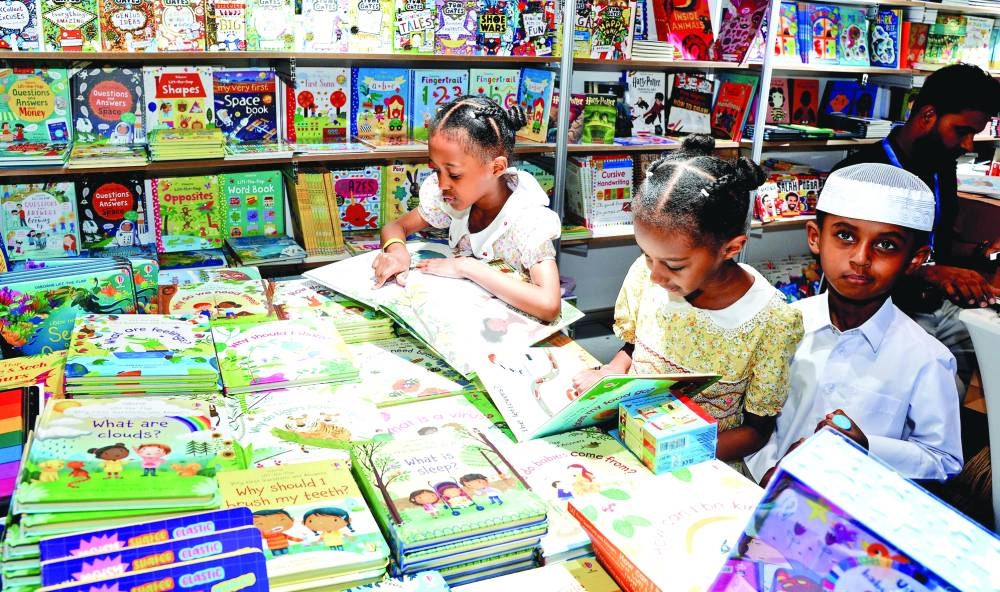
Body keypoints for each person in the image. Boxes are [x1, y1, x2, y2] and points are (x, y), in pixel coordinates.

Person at [572, 135, 804, 472]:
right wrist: (611, 372)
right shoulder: (651, 272)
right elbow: (633, 347)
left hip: (701, 461)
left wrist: (672, 452)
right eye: (646, 256)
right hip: (629, 440)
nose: (655, 275)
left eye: (674, 265)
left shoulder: (771, 322)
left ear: (731, 247)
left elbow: (756, 431)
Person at [747, 164, 963, 486]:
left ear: (915, 259)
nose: (861, 258)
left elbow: (944, 460)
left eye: (886, 245)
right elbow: (752, 419)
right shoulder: (782, 325)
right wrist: (766, 469)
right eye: (845, 236)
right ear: (815, 238)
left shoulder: (927, 358)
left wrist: (868, 447)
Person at [833, 63, 1000, 393]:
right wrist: (931, 272)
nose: (968, 145)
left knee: (958, 384)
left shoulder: (940, 167)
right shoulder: (860, 172)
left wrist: (982, 253)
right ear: (927, 115)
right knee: (925, 392)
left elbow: (939, 243)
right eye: (962, 131)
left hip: (937, 304)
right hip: (883, 309)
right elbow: (851, 263)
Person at [372, 95, 562, 322]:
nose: (442, 184)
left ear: (497, 167)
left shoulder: (528, 220)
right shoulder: (449, 198)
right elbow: (396, 226)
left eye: (454, 174)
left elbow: (549, 305)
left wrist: (466, 267)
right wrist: (396, 253)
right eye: (437, 170)